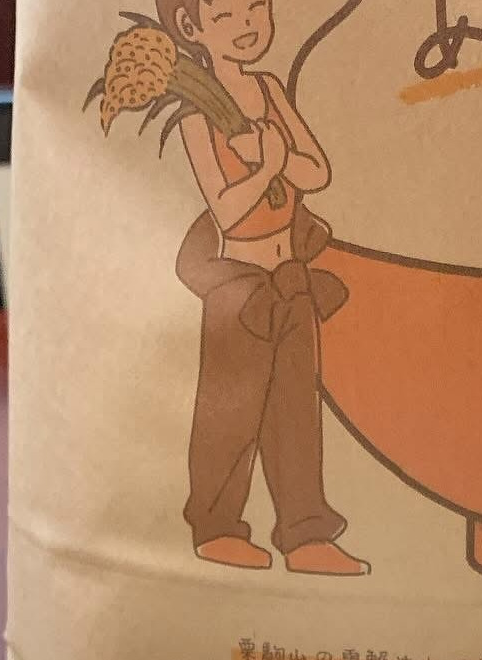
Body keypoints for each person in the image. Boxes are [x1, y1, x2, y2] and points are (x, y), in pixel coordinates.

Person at [159, 0, 370, 576]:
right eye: (226, 16)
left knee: (295, 412)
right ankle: (215, 527)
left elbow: (317, 171)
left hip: (292, 277)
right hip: (240, 290)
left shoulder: (269, 89)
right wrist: (266, 167)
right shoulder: (195, 116)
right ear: (191, 27)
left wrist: (275, 157)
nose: (248, 25)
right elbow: (226, 211)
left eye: (257, 7)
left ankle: (305, 535)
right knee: (229, 414)